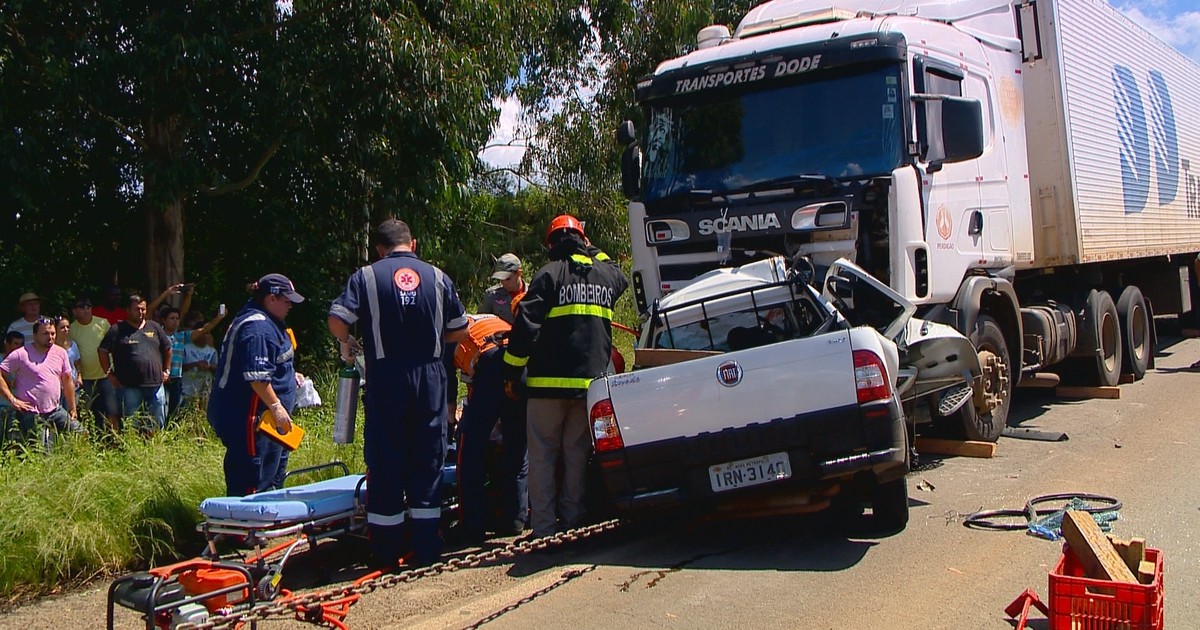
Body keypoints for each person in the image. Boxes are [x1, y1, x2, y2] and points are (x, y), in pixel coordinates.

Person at [328, 219, 468, 568]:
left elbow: (337, 319)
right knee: (428, 457)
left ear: (379, 249)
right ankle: (426, 548)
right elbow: (461, 328)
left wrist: (347, 343)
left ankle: (386, 552)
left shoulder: (366, 276)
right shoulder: (438, 277)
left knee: (386, 458)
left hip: (386, 375)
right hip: (430, 375)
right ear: (413, 244)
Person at [502, 214, 628, 539]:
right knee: (576, 454)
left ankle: (543, 529)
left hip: (546, 389)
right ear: (583, 240)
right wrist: (591, 249)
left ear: (550, 245)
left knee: (542, 456)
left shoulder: (548, 275)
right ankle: (572, 523)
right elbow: (620, 275)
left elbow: (524, 329)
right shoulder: (605, 275)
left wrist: (512, 373)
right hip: (589, 389)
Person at [208, 274, 303, 497]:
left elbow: (273, 362)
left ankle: (268, 526)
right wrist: (277, 407)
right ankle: (245, 529)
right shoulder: (257, 329)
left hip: (269, 424)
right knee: (253, 480)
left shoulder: (271, 322)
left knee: (272, 476)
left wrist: (290, 375)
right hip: (252, 420)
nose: (290, 305)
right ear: (271, 299)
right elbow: (257, 378)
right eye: (286, 300)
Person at [451, 314, 529, 543]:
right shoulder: (489, 318)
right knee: (516, 446)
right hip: (519, 365)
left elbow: (448, 378)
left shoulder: (449, 332)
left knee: (470, 452)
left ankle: (471, 528)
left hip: (490, 365)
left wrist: (450, 415)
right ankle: (514, 519)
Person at [0, 318, 82, 449]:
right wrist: (13, 400)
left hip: (56, 409)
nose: (50, 337)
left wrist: (72, 408)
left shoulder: (60, 352)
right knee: (44, 449)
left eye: (53, 333)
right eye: (45, 334)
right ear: (35, 335)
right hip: (32, 412)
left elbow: (67, 380)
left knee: (81, 434)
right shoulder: (21, 354)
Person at [98, 295, 172, 433]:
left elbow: (167, 348)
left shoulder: (154, 327)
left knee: (158, 420)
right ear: (128, 310)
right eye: (136, 309)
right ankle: (133, 448)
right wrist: (109, 374)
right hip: (129, 386)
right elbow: (102, 351)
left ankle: (155, 447)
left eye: (143, 309)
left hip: (155, 383)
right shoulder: (117, 330)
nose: (141, 312)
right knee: (132, 422)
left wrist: (167, 370)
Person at [160, 302, 226, 421]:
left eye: (177, 318)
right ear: (163, 320)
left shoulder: (181, 336)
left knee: (174, 413)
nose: (175, 321)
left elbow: (202, 330)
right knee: (160, 411)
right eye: (171, 318)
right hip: (160, 378)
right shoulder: (157, 335)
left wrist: (218, 318)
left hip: (176, 378)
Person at [70, 297, 116, 432]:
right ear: (74, 311)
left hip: (106, 374)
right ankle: (87, 439)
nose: (86, 310)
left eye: (88, 306)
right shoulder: (71, 329)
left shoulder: (103, 323)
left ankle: (115, 439)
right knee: (86, 411)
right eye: (82, 307)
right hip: (84, 378)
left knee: (112, 409)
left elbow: (112, 346)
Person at [478, 254, 525, 326]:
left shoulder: (534, 293)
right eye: (501, 279)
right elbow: (480, 323)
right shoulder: (492, 295)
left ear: (519, 273)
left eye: (507, 279)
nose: (504, 283)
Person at [181, 330, 219, 406]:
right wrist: (195, 364)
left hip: (205, 390)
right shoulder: (185, 348)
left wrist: (209, 366)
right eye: (203, 334)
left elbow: (217, 369)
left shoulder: (212, 351)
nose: (205, 336)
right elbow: (180, 367)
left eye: (207, 333)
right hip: (187, 390)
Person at [53, 317, 83, 392]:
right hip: (56, 387)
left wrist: (79, 378)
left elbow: (77, 364)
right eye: (62, 327)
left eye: (67, 327)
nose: (66, 329)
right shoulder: (50, 347)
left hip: (73, 385)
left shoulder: (73, 345)